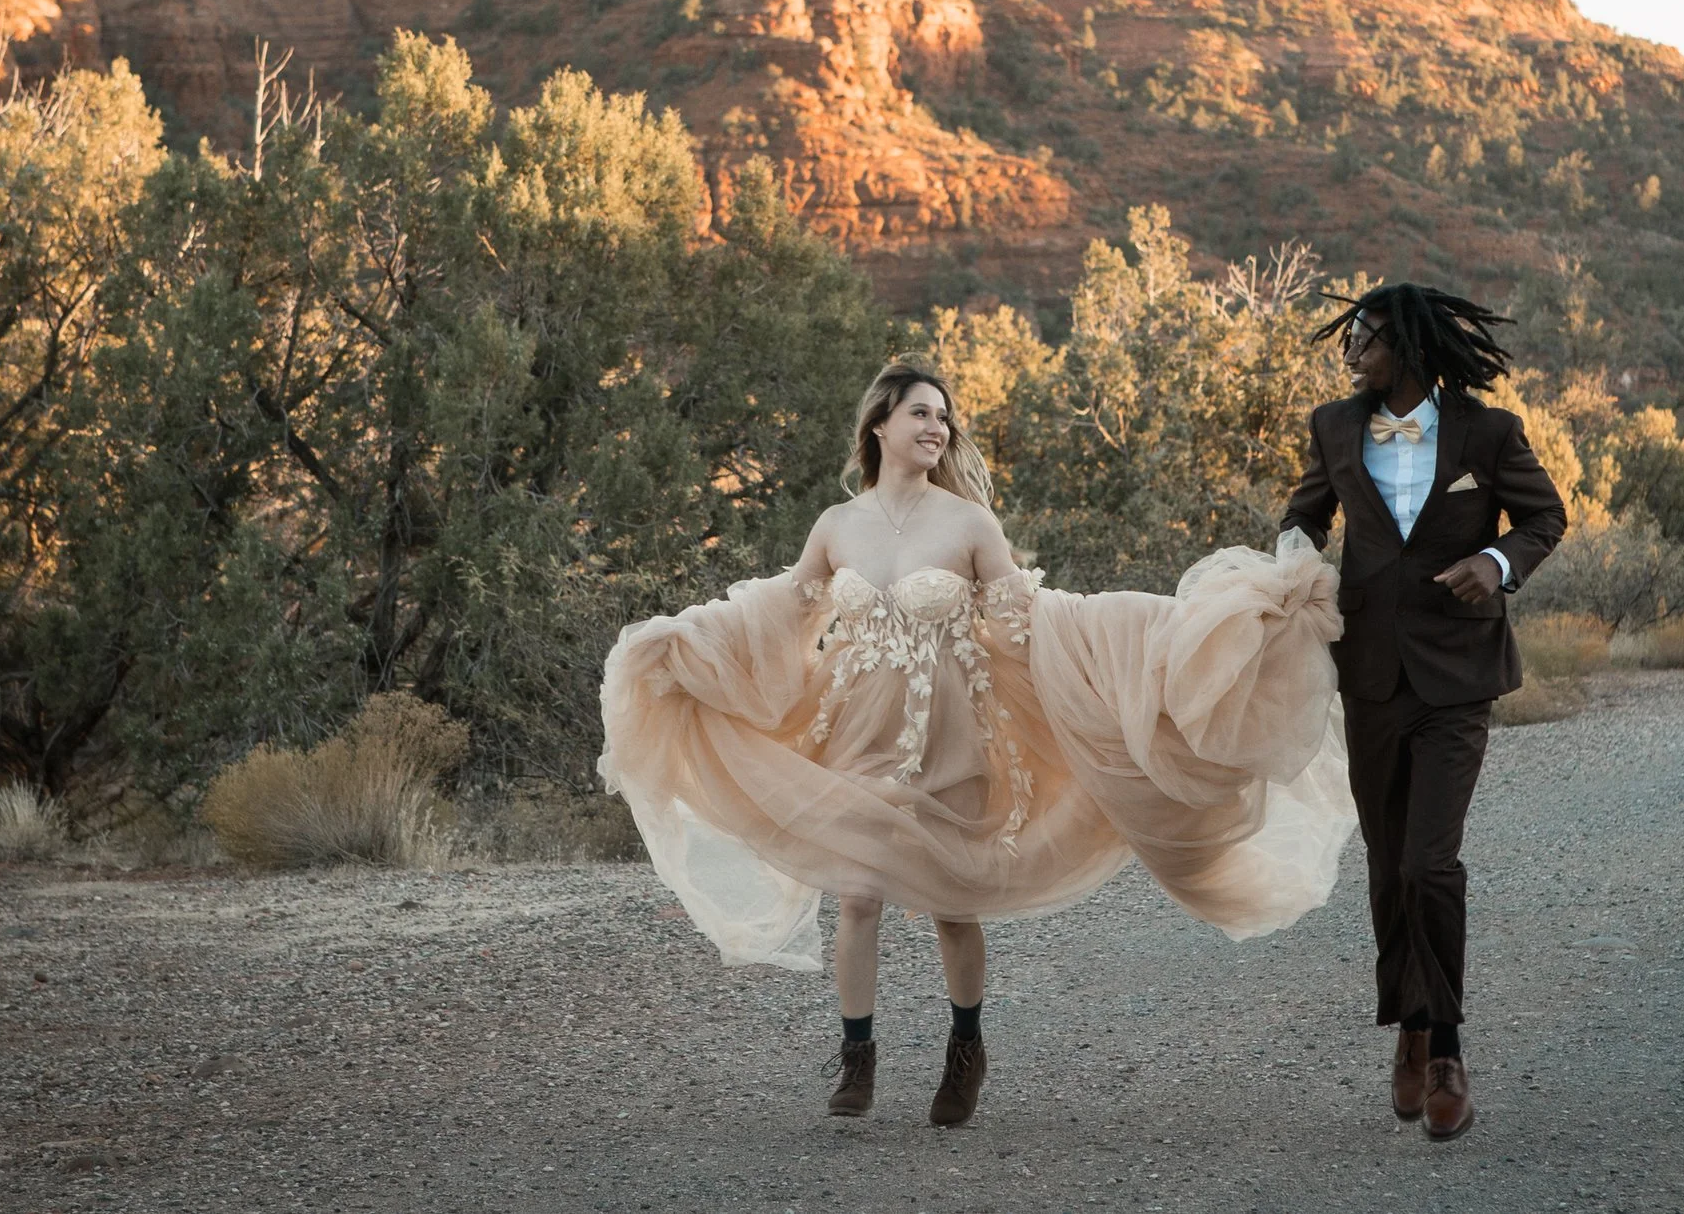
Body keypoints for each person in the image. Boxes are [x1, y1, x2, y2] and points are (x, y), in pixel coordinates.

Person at [600, 362, 1354, 1126]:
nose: (937, 428)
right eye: (922, 414)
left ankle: (966, 1050)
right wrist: (686, 642)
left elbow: (1029, 619)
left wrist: (1151, 646)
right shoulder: (837, 525)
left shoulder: (968, 524)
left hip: (952, 735)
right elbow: (782, 610)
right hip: (857, 729)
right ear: (880, 426)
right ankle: (856, 1061)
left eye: (944, 419)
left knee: (949, 902)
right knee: (858, 894)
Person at [1279, 283, 1566, 1141]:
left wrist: (1497, 559)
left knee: (1429, 865)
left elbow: (1545, 517)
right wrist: (1286, 574)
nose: (1352, 351)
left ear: (1404, 344)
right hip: (1367, 672)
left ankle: (1445, 1049)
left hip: (1458, 673)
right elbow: (1304, 519)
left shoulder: (1489, 431)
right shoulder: (1333, 426)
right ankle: (1407, 1022)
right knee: (1384, 864)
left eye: (1363, 337)